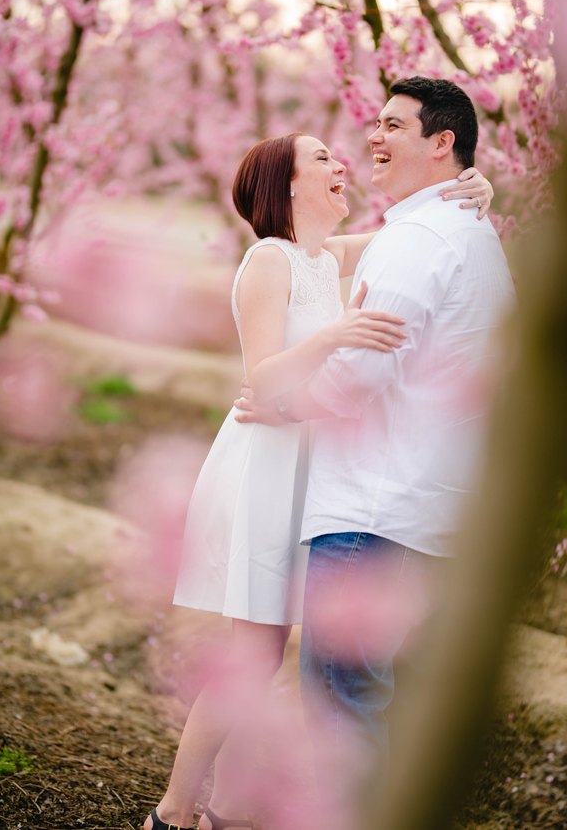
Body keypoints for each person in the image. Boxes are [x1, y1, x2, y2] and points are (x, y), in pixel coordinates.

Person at [144, 128, 493, 830]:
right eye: (323, 159)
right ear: (288, 184)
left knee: (283, 648)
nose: (342, 165)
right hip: (268, 463)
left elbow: (416, 228)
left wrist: (475, 191)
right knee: (256, 650)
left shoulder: (322, 255)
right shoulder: (267, 260)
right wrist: (337, 334)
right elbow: (260, 378)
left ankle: (232, 809)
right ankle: (174, 813)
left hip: (313, 459)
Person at [235, 77, 516, 815]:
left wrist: (286, 404)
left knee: (341, 716)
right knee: (377, 710)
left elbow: (359, 376)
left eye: (393, 125)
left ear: (442, 142)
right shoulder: (464, 234)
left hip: (370, 512)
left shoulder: (419, 241)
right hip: (430, 511)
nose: (372, 140)